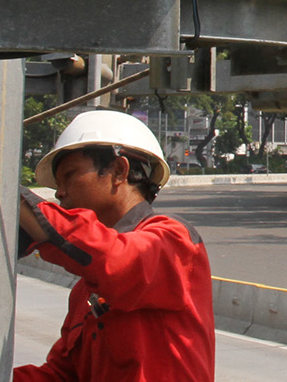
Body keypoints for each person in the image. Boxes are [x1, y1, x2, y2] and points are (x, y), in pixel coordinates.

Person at [14, 109, 215, 382]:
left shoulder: (174, 240)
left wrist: (25, 205)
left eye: (70, 175)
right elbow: (64, 375)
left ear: (119, 171)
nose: (60, 193)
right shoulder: (85, 291)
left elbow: (117, 262)